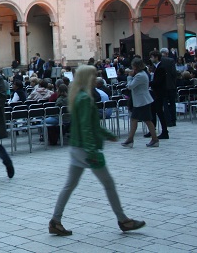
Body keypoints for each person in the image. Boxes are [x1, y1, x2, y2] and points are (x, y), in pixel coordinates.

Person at [48, 65, 146, 237]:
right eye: (93, 76)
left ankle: (55, 221)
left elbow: (88, 125)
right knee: (108, 184)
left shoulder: (76, 96)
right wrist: (93, 151)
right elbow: (87, 127)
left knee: (69, 185)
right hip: (86, 149)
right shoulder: (85, 98)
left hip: (77, 147)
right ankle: (123, 220)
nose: (96, 79)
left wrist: (107, 134)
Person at [120, 58, 159, 148]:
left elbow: (130, 86)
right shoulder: (142, 74)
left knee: (144, 120)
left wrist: (129, 77)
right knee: (142, 120)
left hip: (142, 101)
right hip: (142, 100)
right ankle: (131, 139)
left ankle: (153, 139)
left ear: (136, 66)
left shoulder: (140, 76)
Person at [147, 50, 169, 140]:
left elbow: (158, 82)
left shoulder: (161, 67)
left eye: (152, 57)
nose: (151, 59)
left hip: (159, 92)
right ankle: (152, 130)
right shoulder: (156, 67)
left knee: (160, 112)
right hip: (155, 92)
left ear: (156, 57)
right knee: (153, 111)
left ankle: (164, 131)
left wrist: (148, 83)